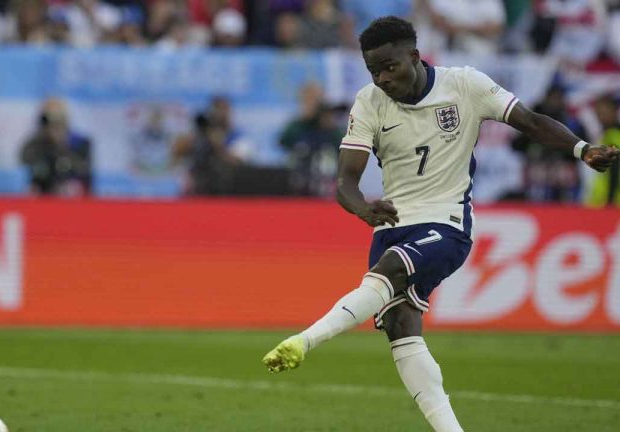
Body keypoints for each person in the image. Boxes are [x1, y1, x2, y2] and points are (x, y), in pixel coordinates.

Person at [261, 16, 619, 432]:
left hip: (447, 223)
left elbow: (532, 122)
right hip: (391, 224)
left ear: (415, 56)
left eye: (389, 66)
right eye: (373, 70)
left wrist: (582, 149)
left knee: (392, 269)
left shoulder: (465, 84)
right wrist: (362, 209)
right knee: (400, 326)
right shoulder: (369, 102)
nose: (382, 78)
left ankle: (304, 340)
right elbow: (345, 182)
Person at [20, 98, 91, 196]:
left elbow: (83, 168)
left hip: (69, 187)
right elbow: (24, 158)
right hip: (43, 188)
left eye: (58, 119)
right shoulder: (38, 141)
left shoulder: (80, 142)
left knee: (72, 188)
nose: (54, 125)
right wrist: (46, 140)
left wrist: (61, 144)